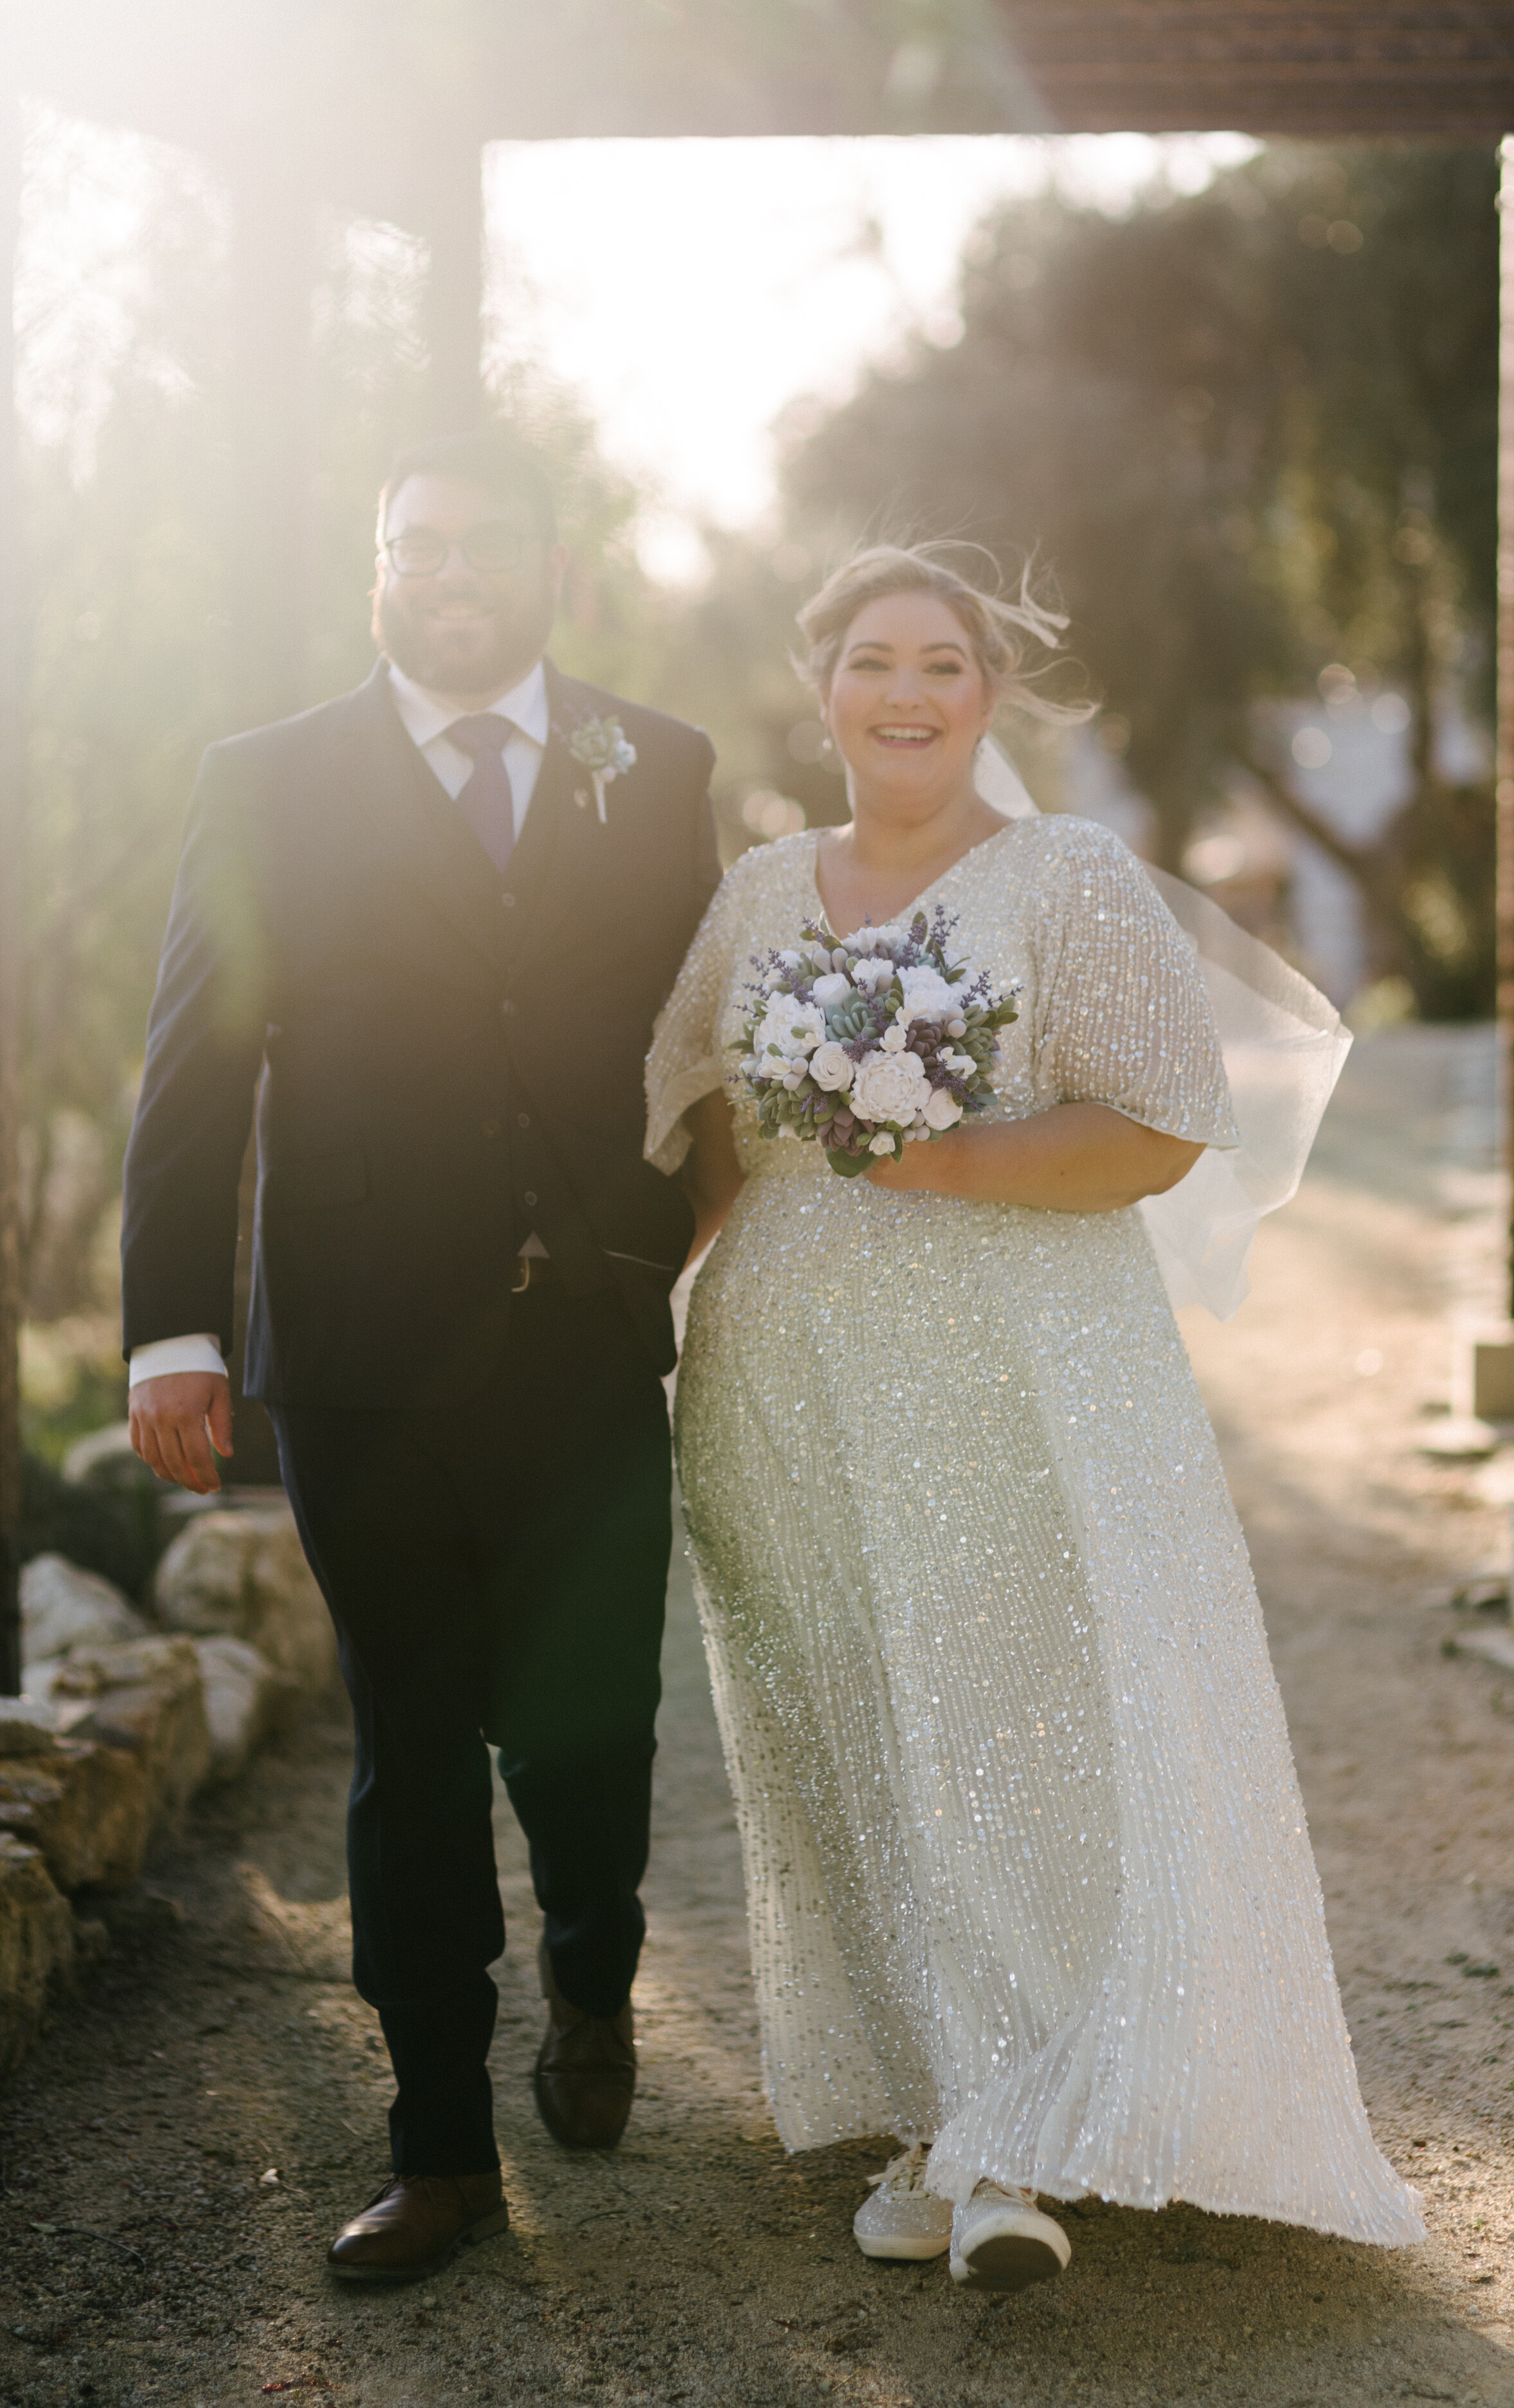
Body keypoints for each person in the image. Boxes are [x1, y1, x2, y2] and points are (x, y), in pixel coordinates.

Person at [646, 542, 1423, 2294]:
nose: (904, 693)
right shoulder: (761, 890)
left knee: (1023, 1723)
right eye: (871, 661)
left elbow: (1165, 1118)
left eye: (940, 664)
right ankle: (938, 2101)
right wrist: (632, 1309)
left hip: (1021, 1376)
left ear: (985, 697)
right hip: (786, 1389)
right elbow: (704, 1132)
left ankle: (1023, 2136)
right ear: (821, 686)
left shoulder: (1062, 877)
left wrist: (947, 1151)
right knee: (855, 1740)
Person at [122, 428, 719, 2281]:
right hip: (365, 1354)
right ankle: (441, 2146)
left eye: (482, 543)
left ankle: (594, 1975)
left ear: (551, 567)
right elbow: (194, 1071)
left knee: (588, 1730)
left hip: (589, 1345)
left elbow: (704, 1033)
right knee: (410, 1751)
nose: (445, 571)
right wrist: (170, 1327)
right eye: (414, 544)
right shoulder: (267, 780)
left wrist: (687, 1247)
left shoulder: (659, 764)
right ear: (377, 568)